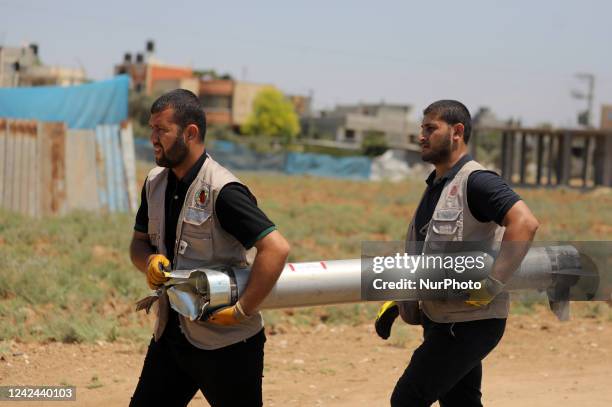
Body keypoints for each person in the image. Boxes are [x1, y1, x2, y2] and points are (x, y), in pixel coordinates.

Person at [129, 89, 290, 407]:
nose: (153, 138)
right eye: (151, 129)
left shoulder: (222, 190)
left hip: (228, 345)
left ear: (190, 133)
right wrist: (148, 260)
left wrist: (242, 310)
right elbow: (138, 243)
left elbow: (276, 248)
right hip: (171, 336)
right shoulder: (155, 183)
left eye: (161, 130)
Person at [375, 100, 539, 407]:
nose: (421, 136)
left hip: (468, 322)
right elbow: (429, 255)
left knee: (407, 399)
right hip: (443, 318)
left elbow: (525, 222)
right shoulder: (438, 184)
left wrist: (491, 285)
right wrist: (400, 303)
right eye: (421, 128)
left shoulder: (477, 181)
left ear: (457, 132)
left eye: (430, 128)